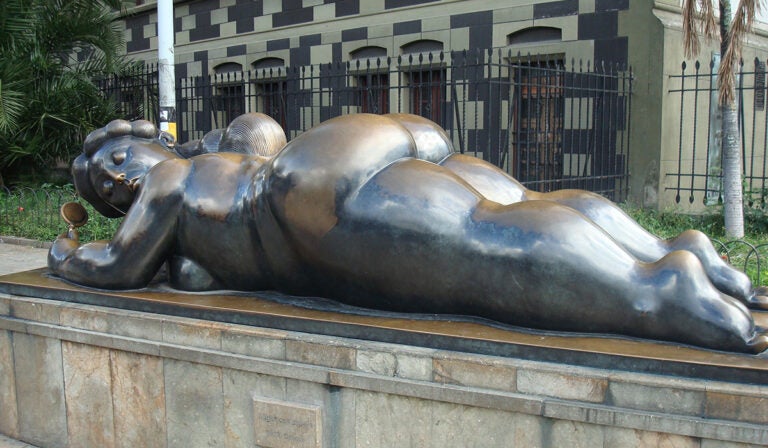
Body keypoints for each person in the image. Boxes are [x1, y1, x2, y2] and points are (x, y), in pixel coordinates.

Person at [48, 112, 768, 353]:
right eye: (104, 190)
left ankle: (658, 297)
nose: (117, 184)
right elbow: (257, 133)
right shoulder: (224, 158)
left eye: (118, 162)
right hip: (359, 146)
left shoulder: (174, 181)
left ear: (151, 147)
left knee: (483, 250)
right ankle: (676, 256)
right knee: (506, 210)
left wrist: (68, 254)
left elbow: (116, 268)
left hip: (307, 198)